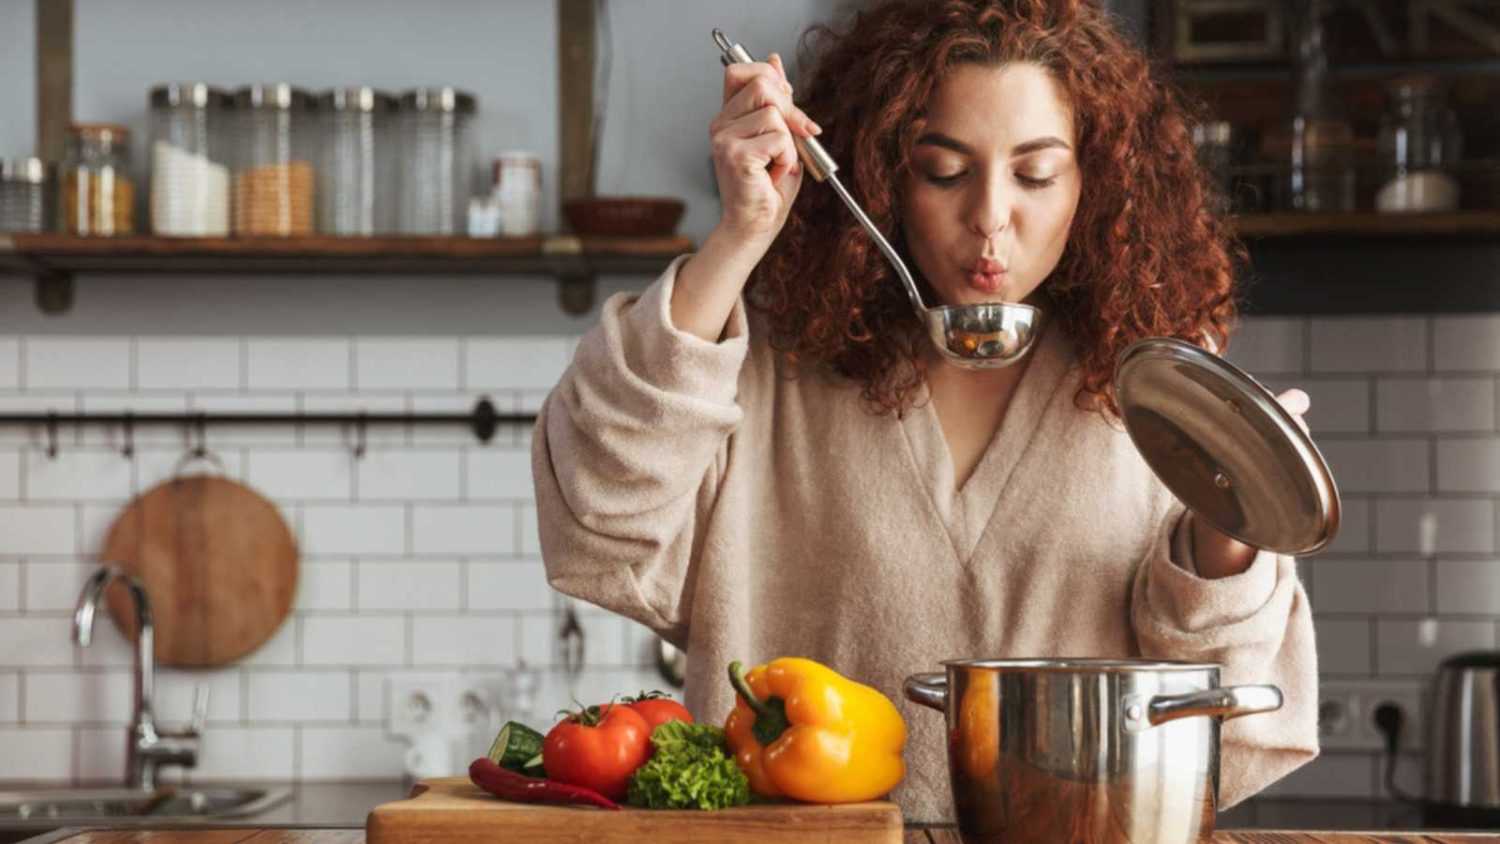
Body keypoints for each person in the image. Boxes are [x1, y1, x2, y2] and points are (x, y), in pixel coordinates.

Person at [532, 0, 1317, 821]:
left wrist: (1230, 530)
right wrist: (739, 237)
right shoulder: (771, 364)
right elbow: (602, 510)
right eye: (943, 170)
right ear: (881, 174)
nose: (989, 216)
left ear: (1099, 181)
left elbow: (1226, 702)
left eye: (1036, 175)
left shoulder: (1158, 386)